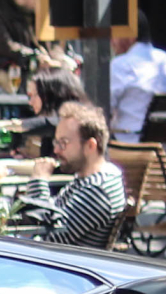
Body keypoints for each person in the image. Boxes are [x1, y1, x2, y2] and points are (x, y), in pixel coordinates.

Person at [35, 104, 125, 250]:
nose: (56, 150)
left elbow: (50, 235)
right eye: (56, 142)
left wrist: (39, 180)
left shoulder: (97, 190)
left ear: (90, 146)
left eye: (63, 143)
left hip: (62, 267)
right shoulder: (89, 177)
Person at [108, 27, 166, 143]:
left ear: (131, 35)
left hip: (127, 148)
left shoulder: (119, 65)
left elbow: (100, 110)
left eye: (114, 35)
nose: (111, 41)